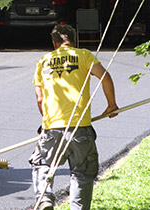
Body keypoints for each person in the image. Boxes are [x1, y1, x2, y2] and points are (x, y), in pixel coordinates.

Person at [29, 24, 118, 210]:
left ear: (54, 43)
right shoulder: (84, 55)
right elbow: (106, 77)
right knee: (82, 173)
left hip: (52, 128)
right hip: (80, 129)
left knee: (42, 164)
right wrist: (111, 105)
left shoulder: (44, 61)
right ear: (74, 40)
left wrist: (47, 119)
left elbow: (40, 98)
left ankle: (45, 198)